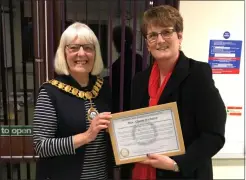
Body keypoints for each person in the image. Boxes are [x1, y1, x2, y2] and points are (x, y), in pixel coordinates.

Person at [130, 5, 227, 180]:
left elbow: (214, 135)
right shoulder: (139, 80)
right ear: (147, 43)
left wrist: (177, 164)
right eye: (152, 35)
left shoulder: (198, 74)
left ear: (179, 36)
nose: (160, 40)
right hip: (144, 171)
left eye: (166, 32)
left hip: (184, 174)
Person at [33, 22, 115, 180]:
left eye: (88, 48)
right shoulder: (51, 93)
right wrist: (86, 136)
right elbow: (41, 147)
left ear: (95, 54)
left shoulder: (103, 88)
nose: (82, 54)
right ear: (64, 53)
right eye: (74, 48)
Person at [112, 25, 143, 113]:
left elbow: (115, 93)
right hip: (138, 106)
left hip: (123, 109)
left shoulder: (117, 65)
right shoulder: (139, 59)